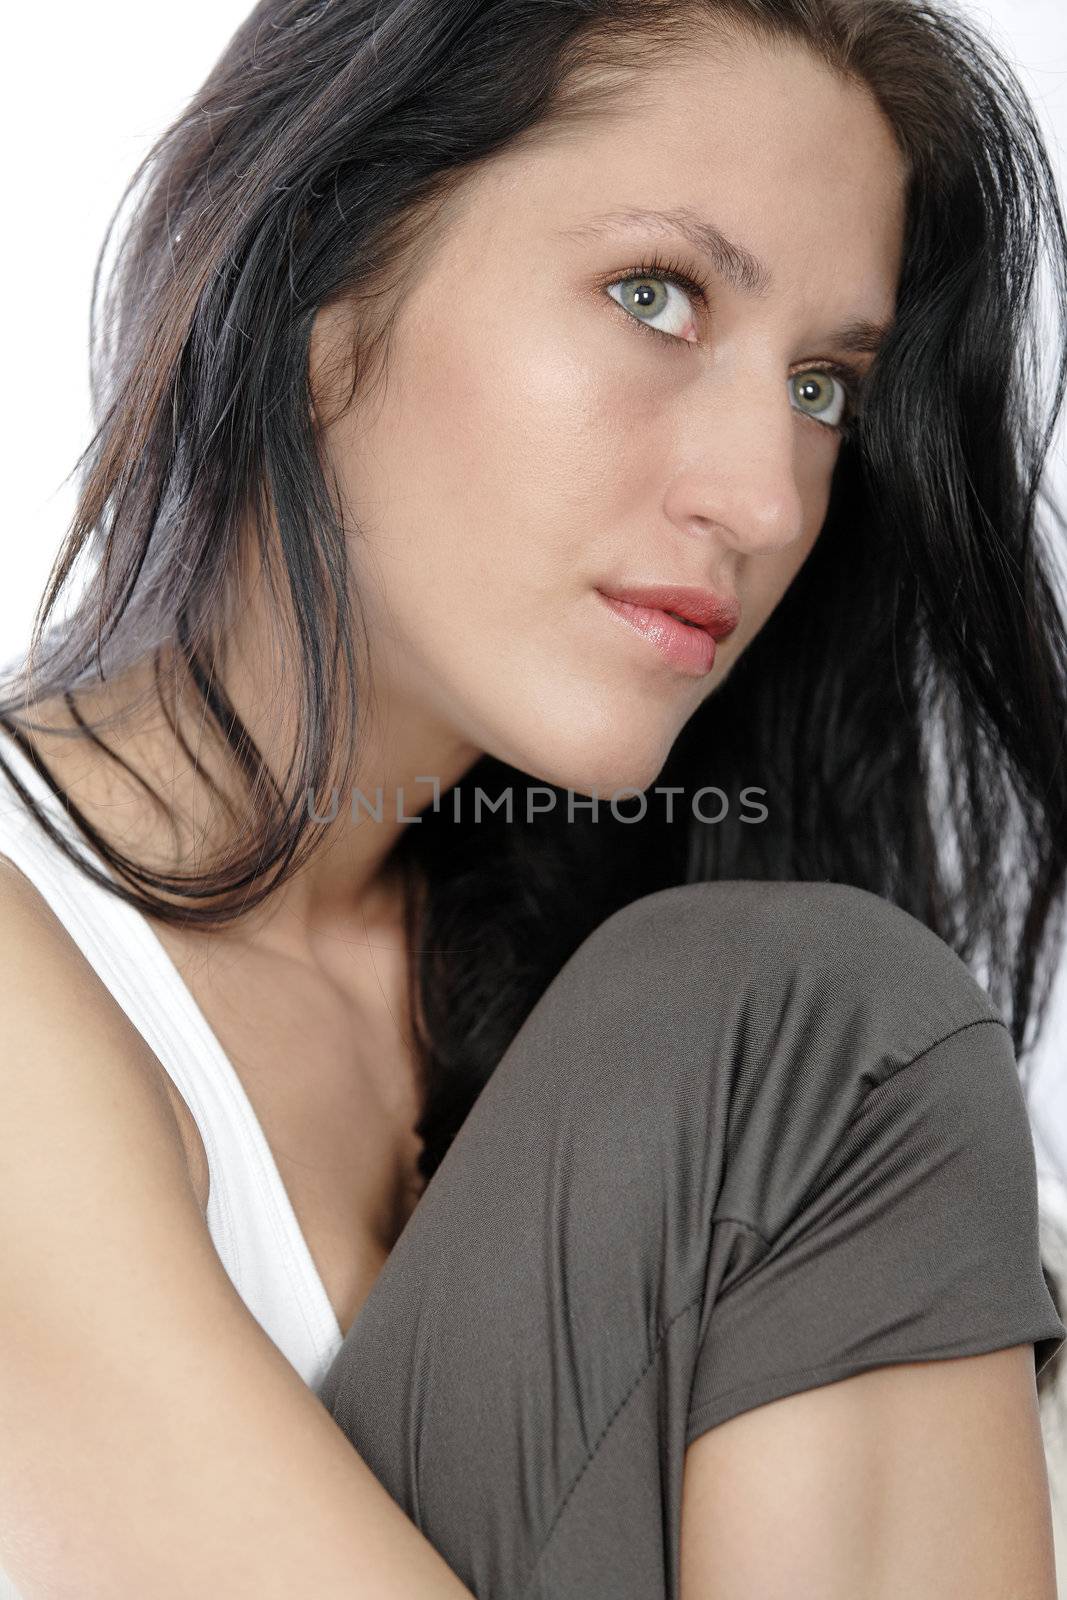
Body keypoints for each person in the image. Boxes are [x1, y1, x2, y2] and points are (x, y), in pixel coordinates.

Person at [0, 0, 1065, 1593]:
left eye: (824, 388)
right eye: (658, 295)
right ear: (321, 278)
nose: (767, 497)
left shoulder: (671, 1069)